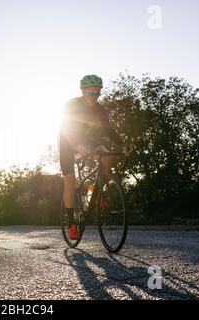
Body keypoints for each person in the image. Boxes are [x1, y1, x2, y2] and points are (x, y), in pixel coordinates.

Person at [59, 74, 131, 240]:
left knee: (106, 153)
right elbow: (64, 128)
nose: (95, 97)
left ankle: (94, 191)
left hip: (83, 139)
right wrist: (77, 145)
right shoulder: (72, 105)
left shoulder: (99, 109)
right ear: (83, 91)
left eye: (98, 93)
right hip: (66, 141)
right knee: (70, 183)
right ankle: (71, 224)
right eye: (92, 93)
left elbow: (108, 130)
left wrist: (123, 146)